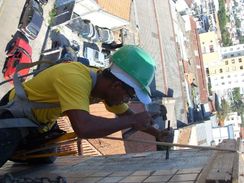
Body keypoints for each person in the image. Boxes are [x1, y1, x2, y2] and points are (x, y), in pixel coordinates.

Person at [0, 45, 170, 167]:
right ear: (117, 86)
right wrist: (132, 121)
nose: (126, 101)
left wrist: (158, 133)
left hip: (41, 123)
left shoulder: (103, 85)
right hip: (15, 114)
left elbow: (126, 115)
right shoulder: (75, 78)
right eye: (129, 95)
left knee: (45, 160)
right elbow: (84, 128)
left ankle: (16, 150)